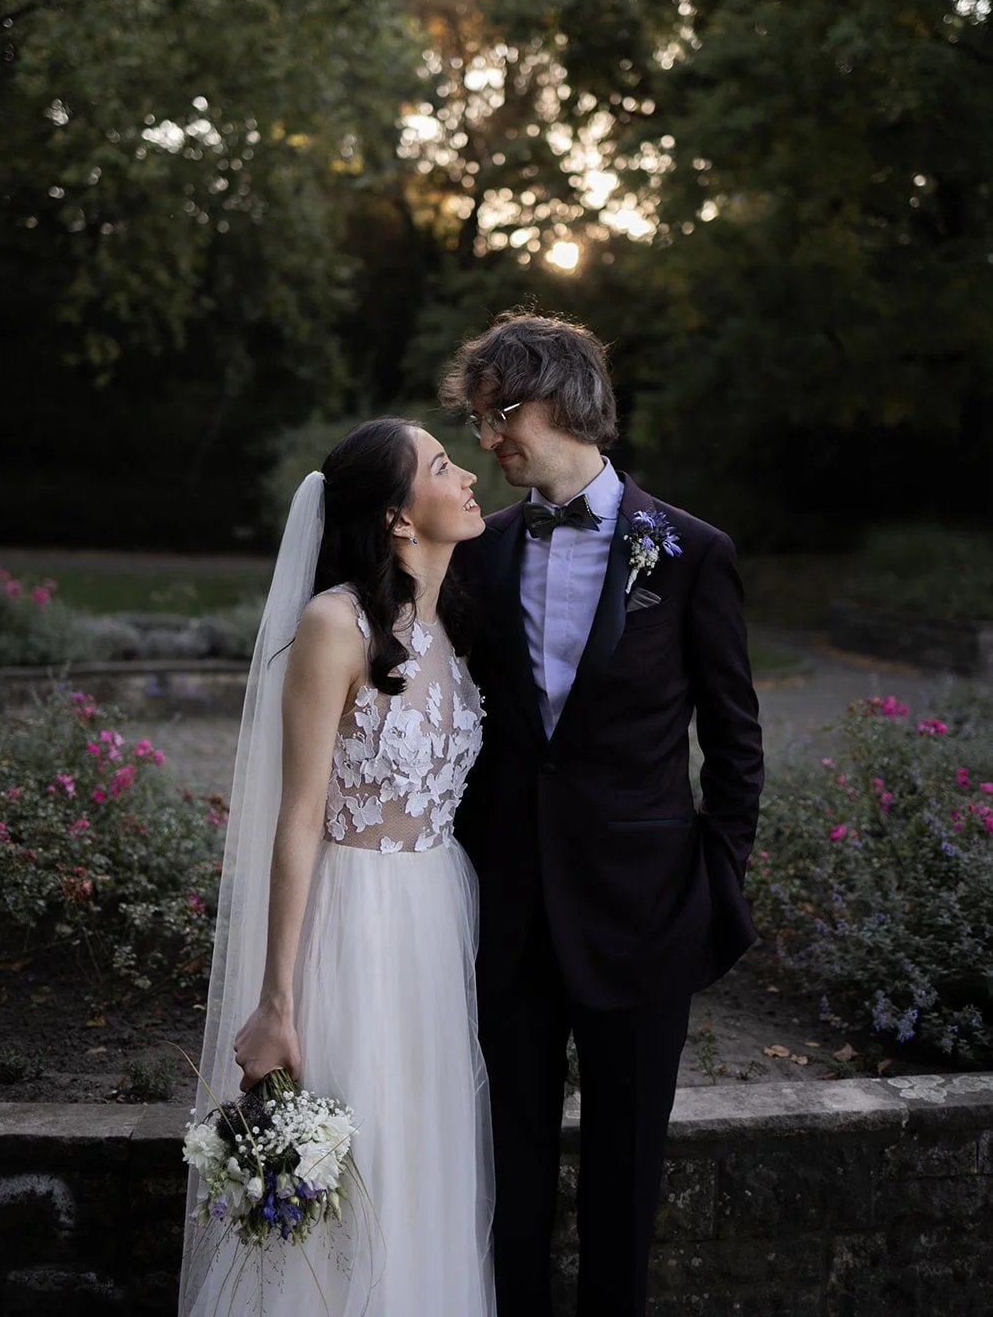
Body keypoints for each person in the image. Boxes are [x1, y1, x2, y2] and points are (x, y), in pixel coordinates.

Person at [441, 312, 764, 1317]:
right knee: (510, 1172)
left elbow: (735, 740)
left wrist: (715, 877)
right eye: (477, 421)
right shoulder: (477, 552)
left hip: (644, 911)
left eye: (498, 413)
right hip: (507, 910)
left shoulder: (689, 553)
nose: (486, 440)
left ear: (563, 399)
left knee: (627, 1172)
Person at [178, 417, 495, 1317]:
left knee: (416, 1161)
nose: (468, 473)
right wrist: (277, 1000)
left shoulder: (443, 625)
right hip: (352, 921)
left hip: (435, 914)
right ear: (398, 517)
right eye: (443, 463)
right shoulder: (333, 623)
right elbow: (297, 820)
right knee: (354, 1159)